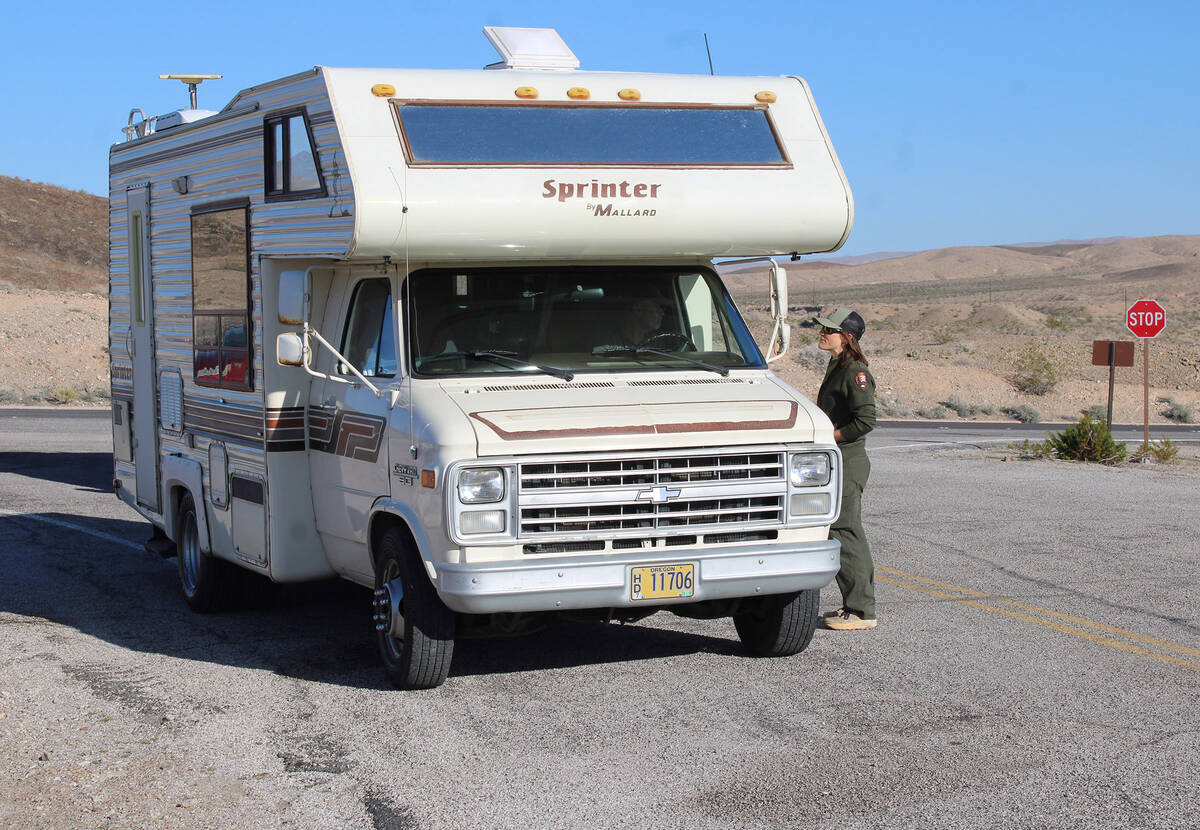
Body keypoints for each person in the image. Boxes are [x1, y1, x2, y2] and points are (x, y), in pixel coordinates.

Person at [814, 308, 878, 631]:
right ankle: (857, 605)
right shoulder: (836, 365)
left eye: (830, 329)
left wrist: (831, 436)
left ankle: (861, 610)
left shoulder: (855, 372)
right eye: (823, 328)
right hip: (837, 462)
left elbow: (865, 420)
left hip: (848, 462)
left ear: (848, 337)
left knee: (843, 531)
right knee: (848, 530)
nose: (822, 333)